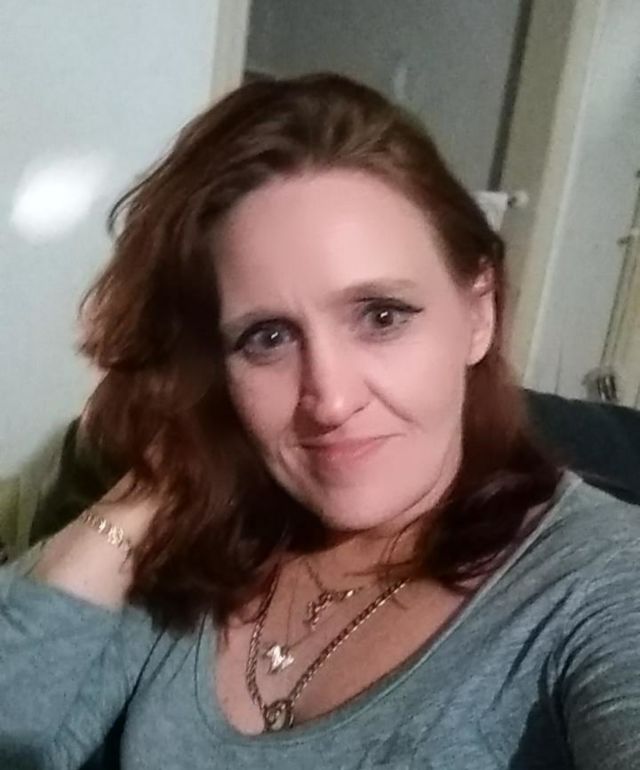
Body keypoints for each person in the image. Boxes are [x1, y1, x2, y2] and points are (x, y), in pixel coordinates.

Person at [1, 73, 639, 770]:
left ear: (478, 311)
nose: (330, 401)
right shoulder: (212, 532)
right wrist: (141, 495)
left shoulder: (602, 581)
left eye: (382, 316)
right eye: (268, 337)